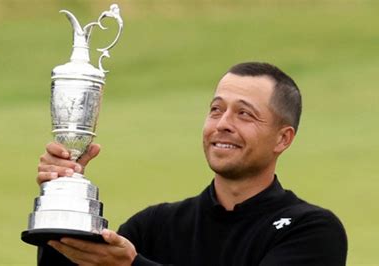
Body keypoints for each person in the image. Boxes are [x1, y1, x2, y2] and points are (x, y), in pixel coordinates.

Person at [35, 62, 348, 265]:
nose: (223, 123)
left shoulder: (312, 230)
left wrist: (132, 265)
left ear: (283, 138)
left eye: (244, 114)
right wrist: (60, 199)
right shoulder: (157, 225)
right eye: (216, 110)